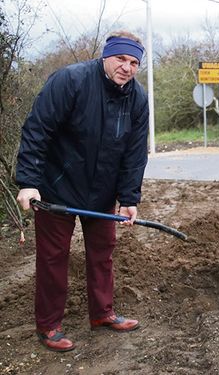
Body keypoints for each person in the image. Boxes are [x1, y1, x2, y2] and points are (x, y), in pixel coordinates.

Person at [15, 30, 149, 352]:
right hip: (55, 189)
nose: (127, 67)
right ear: (107, 55)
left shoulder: (138, 98)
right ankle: (49, 325)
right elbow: (37, 129)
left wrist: (129, 198)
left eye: (133, 62)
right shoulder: (70, 81)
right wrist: (28, 182)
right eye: (121, 58)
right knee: (53, 258)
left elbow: (134, 152)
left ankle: (102, 314)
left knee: (102, 255)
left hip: (101, 194)